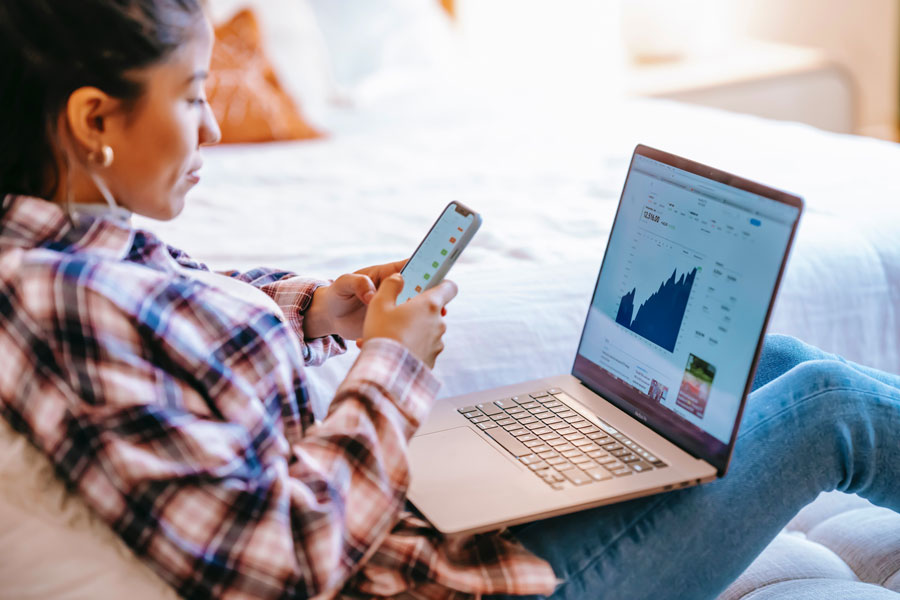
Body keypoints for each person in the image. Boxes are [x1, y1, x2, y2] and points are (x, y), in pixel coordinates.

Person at [0, 2, 897, 599]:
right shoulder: (64, 302)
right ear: (93, 121)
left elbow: (176, 316)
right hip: (442, 582)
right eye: (193, 97)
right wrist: (390, 365)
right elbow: (276, 561)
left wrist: (321, 307)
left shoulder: (65, 251)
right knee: (828, 409)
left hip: (424, 522)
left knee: (775, 365)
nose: (216, 127)